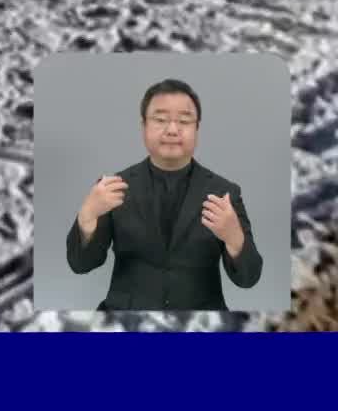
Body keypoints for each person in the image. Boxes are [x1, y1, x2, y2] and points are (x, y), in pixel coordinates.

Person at [66, 78, 263, 310]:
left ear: (197, 128)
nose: (172, 130)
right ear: (144, 126)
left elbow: (248, 279)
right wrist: (87, 216)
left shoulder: (223, 193)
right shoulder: (112, 188)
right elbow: (81, 264)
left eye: (184, 121)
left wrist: (234, 237)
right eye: (160, 120)